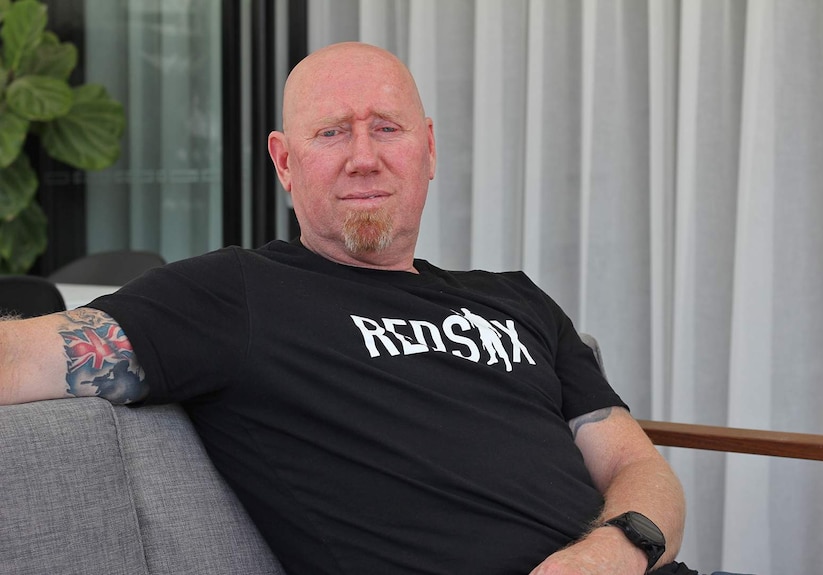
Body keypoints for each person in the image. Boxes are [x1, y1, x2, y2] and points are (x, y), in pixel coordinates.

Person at [0, 42, 690, 574]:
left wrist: (615, 550)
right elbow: (20, 357)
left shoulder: (515, 298)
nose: (363, 157)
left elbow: (639, 465)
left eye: (386, 128)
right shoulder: (234, 295)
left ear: (428, 150)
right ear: (284, 162)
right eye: (331, 132)